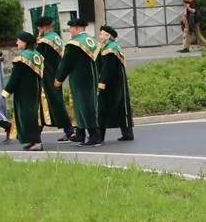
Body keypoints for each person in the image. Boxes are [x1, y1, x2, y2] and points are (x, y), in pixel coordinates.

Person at [57, 16, 102, 146]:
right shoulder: (93, 41)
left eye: (71, 28)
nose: (70, 31)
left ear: (76, 28)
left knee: (85, 107)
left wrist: (59, 78)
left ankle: (94, 136)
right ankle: (80, 134)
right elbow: (100, 62)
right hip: (92, 78)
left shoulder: (74, 44)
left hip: (79, 80)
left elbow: (66, 63)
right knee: (82, 106)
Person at [2, 32, 49, 152]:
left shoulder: (22, 58)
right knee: (33, 116)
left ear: (25, 42)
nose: (16, 42)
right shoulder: (37, 55)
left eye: (18, 40)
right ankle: (32, 141)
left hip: (24, 92)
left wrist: (6, 92)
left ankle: (36, 142)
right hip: (36, 90)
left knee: (27, 117)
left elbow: (15, 77)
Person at [35, 16, 75, 142]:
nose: (39, 30)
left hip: (47, 75)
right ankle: (68, 130)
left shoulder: (45, 42)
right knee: (54, 102)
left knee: (51, 103)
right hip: (57, 73)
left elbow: (36, 58)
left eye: (39, 28)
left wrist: (37, 45)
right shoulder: (56, 37)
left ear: (44, 27)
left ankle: (69, 130)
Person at [96, 25, 135, 142]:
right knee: (121, 108)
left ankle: (99, 136)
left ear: (108, 36)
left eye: (102, 34)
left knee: (102, 109)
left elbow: (107, 68)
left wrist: (101, 82)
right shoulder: (110, 47)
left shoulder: (110, 50)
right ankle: (127, 134)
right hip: (118, 83)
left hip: (111, 84)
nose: (100, 36)